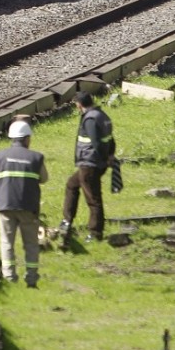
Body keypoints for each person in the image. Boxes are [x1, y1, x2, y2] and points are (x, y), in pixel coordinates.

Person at [0, 119, 49, 287]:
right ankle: (31, 278)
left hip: (5, 205)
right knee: (31, 244)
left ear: (12, 138)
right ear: (27, 138)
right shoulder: (36, 157)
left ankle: (9, 277)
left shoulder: (0, 156)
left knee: (7, 242)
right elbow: (44, 178)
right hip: (29, 207)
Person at [60, 92, 116, 244]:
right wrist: (110, 156)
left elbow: (97, 143)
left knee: (93, 199)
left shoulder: (90, 119)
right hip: (93, 164)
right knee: (71, 185)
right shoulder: (101, 115)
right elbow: (111, 139)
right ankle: (67, 221)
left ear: (79, 105)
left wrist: (103, 159)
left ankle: (95, 232)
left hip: (90, 164)